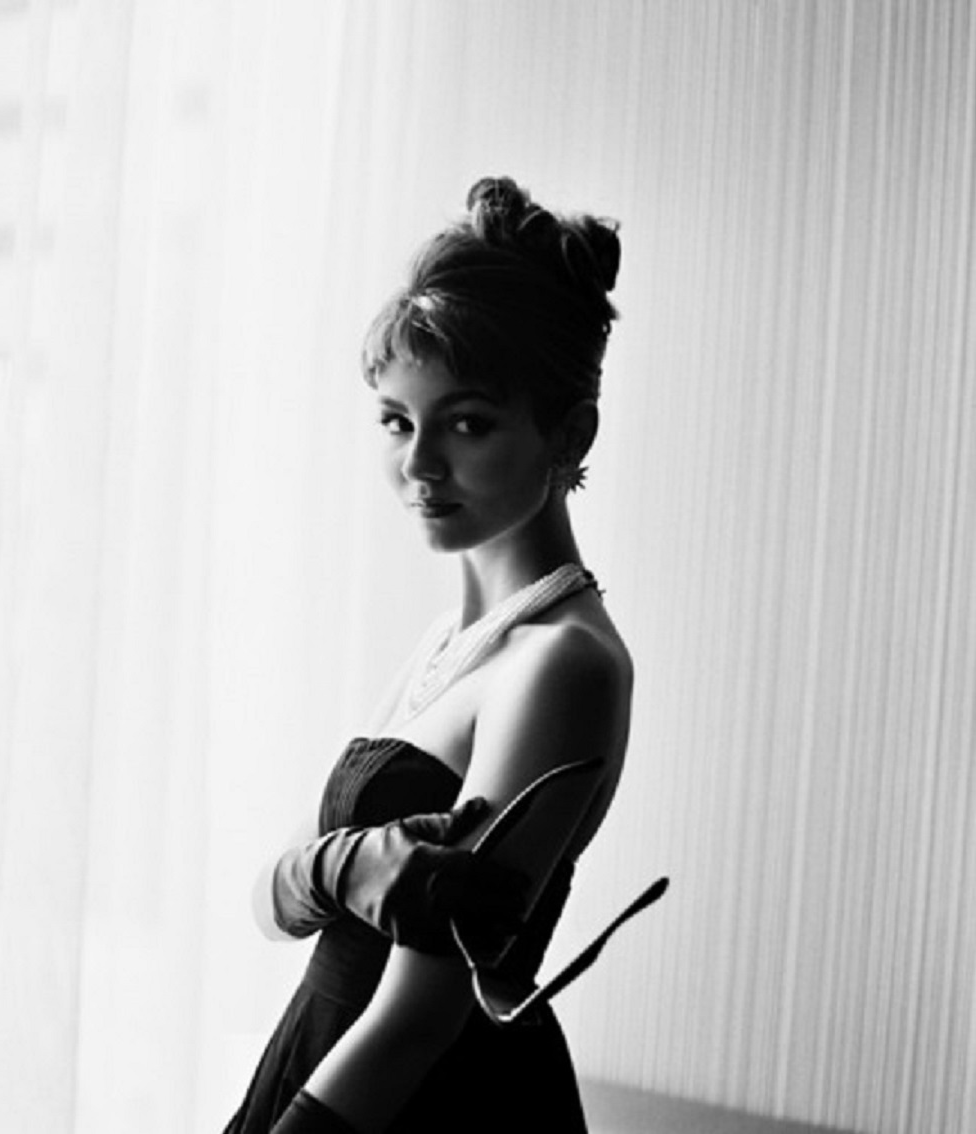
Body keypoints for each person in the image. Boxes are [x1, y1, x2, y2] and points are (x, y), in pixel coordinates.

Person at [224, 176, 633, 1133]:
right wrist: (345, 868)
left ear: (569, 432)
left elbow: (417, 1018)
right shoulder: (450, 642)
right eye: (396, 421)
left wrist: (326, 872)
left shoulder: (564, 665)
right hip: (326, 1058)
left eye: (467, 422)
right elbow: (268, 902)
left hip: (411, 1104)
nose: (418, 464)